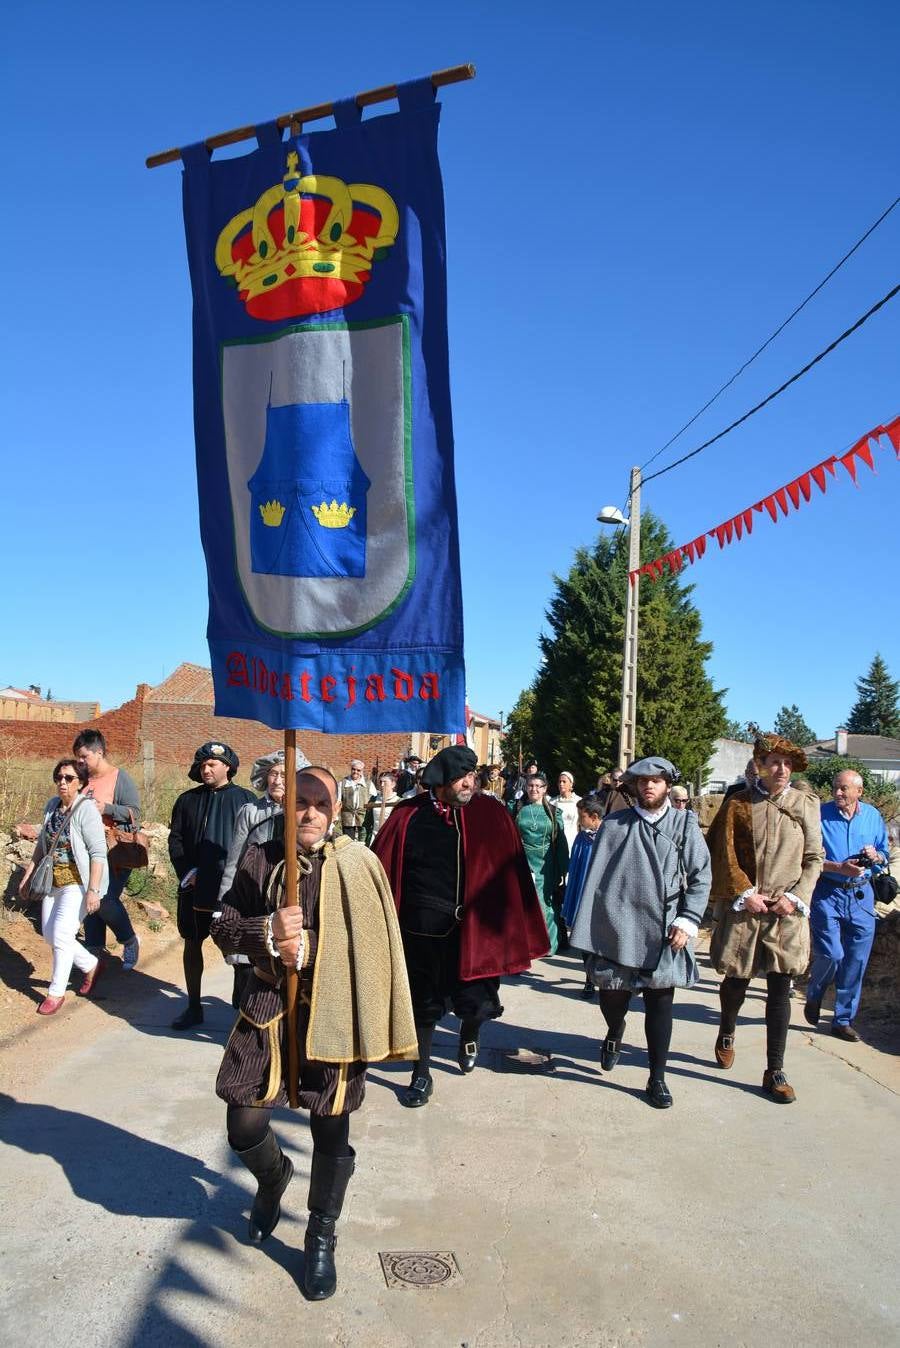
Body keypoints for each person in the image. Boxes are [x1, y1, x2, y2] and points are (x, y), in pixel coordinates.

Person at [211, 766, 416, 1300]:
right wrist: (265, 933)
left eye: (319, 804)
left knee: (331, 1130)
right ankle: (273, 1180)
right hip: (268, 1005)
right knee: (243, 1122)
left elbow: (372, 948)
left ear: (335, 810)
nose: (308, 813)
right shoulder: (261, 856)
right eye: (300, 801)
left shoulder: (357, 863)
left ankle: (319, 1236)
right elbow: (223, 923)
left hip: (336, 1009)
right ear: (284, 804)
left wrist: (317, 947)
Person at [373, 745, 549, 1107]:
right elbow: (381, 869)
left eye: (472, 775)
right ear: (440, 781)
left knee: (477, 1004)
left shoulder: (492, 814)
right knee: (422, 1007)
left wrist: (507, 925)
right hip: (420, 933)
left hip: (476, 933)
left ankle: (470, 1033)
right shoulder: (408, 816)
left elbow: (510, 873)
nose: (469, 783)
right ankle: (421, 1074)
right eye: (461, 777)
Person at [570, 757, 711, 1108]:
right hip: (618, 926)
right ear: (633, 786)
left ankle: (657, 1078)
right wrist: (590, 925)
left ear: (667, 786)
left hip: (665, 929)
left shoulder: (684, 825)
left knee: (661, 1002)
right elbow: (596, 881)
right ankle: (615, 1030)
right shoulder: (615, 824)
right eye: (643, 781)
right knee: (612, 999)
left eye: (657, 781)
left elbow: (701, 875)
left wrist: (688, 918)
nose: (649, 786)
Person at [707, 732, 824, 1103]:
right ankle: (727, 1028)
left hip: (786, 911)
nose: (781, 769)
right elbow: (721, 853)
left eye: (787, 764)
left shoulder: (805, 804)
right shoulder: (738, 803)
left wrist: (796, 897)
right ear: (759, 765)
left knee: (780, 987)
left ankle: (775, 1069)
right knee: (736, 981)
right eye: (774, 762)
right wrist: (745, 893)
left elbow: (814, 858)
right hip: (747, 906)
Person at [168, 742, 256, 1030]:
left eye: (213, 764)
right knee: (192, 943)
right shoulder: (187, 800)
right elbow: (176, 840)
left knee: (239, 949)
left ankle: (242, 1010)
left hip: (232, 891)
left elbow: (254, 844)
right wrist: (187, 871)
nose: (207, 769)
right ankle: (193, 1006)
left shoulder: (245, 799)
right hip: (195, 888)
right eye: (203, 765)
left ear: (227, 767)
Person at [219, 748, 309, 1008]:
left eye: (285, 774)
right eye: (273, 773)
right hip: (254, 901)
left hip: (290, 901)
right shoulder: (250, 811)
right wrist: (223, 903)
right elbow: (234, 862)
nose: (278, 780)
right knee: (248, 972)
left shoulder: (305, 813)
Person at [17, 759, 108, 1014]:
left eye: (69, 778)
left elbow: (98, 853)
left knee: (61, 936)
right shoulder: (52, 807)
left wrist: (93, 890)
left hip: (77, 882)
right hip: (52, 882)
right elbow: (41, 845)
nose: (62, 783)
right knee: (48, 934)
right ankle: (91, 964)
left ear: (81, 783)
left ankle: (55, 993)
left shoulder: (86, 809)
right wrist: (28, 875)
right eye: (59, 777)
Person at [804, 770, 889, 1041]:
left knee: (856, 960)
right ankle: (815, 993)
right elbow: (806, 856)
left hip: (861, 897)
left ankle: (842, 1020)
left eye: (843, 789)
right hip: (827, 893)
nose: (837, 793)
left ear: (858, 792)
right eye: (835, 788)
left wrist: (877, 856)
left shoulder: (873, 816)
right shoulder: (819, 814)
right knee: (832, 954)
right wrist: (838, 867)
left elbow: (884, 853)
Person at [72, 729, 142, 971]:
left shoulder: (119, 778)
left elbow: (136, 813)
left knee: (104, 899)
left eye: (84, 757)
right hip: (85, 853)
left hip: (114, 854)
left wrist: (107, 808)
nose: (80, 762)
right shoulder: (81, 780)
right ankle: (94, 950)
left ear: (99, 752)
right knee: (88, 899)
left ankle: (129, 939)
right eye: (77, 757)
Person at [514, 773, 570, 954]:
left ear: (545, 789)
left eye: (538, 786)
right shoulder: (517, 808)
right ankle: (526, 944)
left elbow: (561, 842)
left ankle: (547, 944)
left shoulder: (553, 812)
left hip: (546, 864)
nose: (534, 789)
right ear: (526, 787)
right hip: (523, 861)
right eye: (531, 785)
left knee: (544, 902)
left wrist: (563, 868)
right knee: (524, 904)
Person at [561, 794, 604, 999]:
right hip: (582, 893)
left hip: (600, 898)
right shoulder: (582, 837)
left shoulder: (609, 837)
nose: (579, 820)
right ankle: (589, 979)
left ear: (594, 817)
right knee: (583, 939)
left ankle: (603, 979)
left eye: (582, 816)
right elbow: (575, 865)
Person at [338, 759, 375, 840]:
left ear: (362, 771)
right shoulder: (343, 782)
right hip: (347, 817)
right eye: (353, 769)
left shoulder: (368, 783)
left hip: (363, 817)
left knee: (362, 841)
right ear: (351, 769)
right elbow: (338, 800)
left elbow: (374, 800)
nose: (355, 772)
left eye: (358, 770)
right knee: (348, 841)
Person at [365, 769, 402, 843]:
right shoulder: (374, 799)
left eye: (385, 782)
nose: (382, 785)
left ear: (393, 784)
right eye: (380, 782)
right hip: (374, 836)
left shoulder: (399, 801)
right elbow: (368, 821)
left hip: (390, 838)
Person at [550, 771, 582, 850]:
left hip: (574, 840)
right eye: (559, 782)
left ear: (571, 784)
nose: (561, 784)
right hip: (557, 841)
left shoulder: (579, 801)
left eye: (564, 781)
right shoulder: (552, 802)